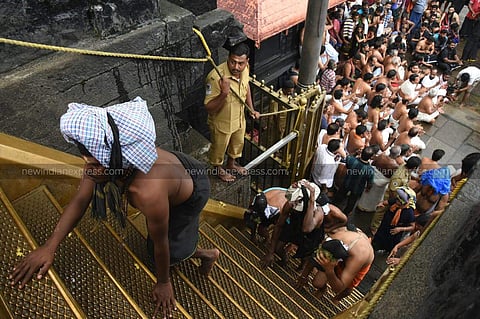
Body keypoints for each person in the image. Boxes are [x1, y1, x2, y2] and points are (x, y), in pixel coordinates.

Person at [9, 97, 220, 319]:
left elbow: (161, 241)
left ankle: (208, 255)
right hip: (176, 169)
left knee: (168, 249)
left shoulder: (148, 193)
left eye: (95, 165)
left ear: (118, 161)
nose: (89, 170)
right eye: (87, 162)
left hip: (190, 192)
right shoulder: (104, 160)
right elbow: (81, 199)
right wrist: (49, 246)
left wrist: (164, 281)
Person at [204, 43, 260, 182]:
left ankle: (231, 164)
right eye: (232, 62)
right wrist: (223, 93)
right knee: (219, 148)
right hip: (221, 122)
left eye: (240, 63)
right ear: (228, 58)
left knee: (237, 143)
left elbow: (246, 87)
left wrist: (251, 109)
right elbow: (209, 107)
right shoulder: (215, 77)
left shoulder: (246, 69)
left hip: (239, 118)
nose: (236, 67)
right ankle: (218, 169)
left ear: (247, 62)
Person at [295, 224, 373, 302]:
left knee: (347, 289)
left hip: (360, 256)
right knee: (317, 283)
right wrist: (303, 276)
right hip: (348, 242)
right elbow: (315, 257)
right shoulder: (335, 237)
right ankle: (323, 288)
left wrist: (329, 270)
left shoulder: (359, 256)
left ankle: (336, 299)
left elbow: (338, 288)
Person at [372, 186, 417, 253]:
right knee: (376, 241)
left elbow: (412, 227)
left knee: (388, 245)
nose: (397, 201)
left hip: (393, 233)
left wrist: (400, 229)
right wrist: (381, 204)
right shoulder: (396, 201)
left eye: (400, 200)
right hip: (384, 227)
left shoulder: (409, 213)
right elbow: (386, 202)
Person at [334, 146, 375, 216]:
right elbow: (370, 182)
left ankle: (334, 207)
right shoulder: (370, 170)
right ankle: (345, 214)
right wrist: (368, 188)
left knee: (340, 196)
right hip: (357, 188)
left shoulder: (352, 160)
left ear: (361, 153)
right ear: (371, 157)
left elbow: (347, 161)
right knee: (352, 201)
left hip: (347, 183)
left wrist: (355, 153)